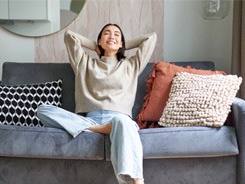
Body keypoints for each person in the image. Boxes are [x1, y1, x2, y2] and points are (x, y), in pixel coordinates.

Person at [37, 23, 157, 184]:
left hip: (118, 120)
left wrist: (121, 44)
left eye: (116, 34)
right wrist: (96, 46)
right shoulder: (84, 64)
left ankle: (136, 181)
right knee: (42, 110)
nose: (112, 36)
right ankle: (100, 129)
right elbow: (69, 36)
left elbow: (151, 38)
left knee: (123, 122)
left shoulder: (131, 65)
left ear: (122, 43)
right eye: (106, 34)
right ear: (99, 41)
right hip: (90, 120)